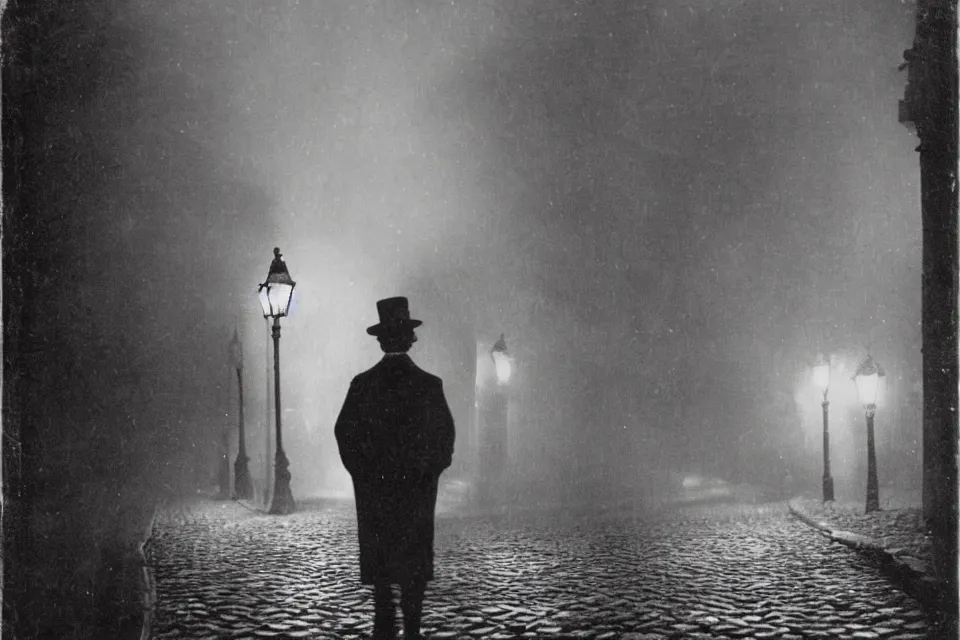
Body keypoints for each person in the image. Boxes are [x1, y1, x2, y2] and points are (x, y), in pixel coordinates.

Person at [335, 297, 456, 640]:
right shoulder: (430, 385)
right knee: (414, 564)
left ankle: (384, 628)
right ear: (410, 339)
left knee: (382, 566)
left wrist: (361, 473)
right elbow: (446, 436)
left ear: (380, 340)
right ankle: (413, 629)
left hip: (376, 492)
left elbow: (344, 432)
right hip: (416, 491)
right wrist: (430, 471)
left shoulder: (362, 385)